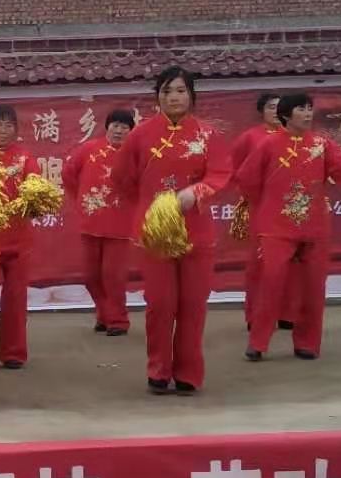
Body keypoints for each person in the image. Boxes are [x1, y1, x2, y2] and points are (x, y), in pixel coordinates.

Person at [111, 67, 232, 396]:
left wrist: (196, 192)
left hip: (196, 231)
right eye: (166, 91)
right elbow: (121, 178)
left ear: (191, 95)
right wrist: (150, 209)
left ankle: (189, 373)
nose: (174, 97)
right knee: (160, 304)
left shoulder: (208, 135)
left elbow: (220, 174)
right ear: (158, 97)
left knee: (193, 304)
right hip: (156, 234)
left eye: (180, 90)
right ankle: (159, 369)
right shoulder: (140, 135)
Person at [237, 92, 341, 362]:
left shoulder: (322, 145)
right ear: (286, 115)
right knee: (271, 283)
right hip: (276, 228)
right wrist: (267, 207)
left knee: (313, 288)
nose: (308, 113)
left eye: (310, 108)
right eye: (301, 109)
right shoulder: (268, 144)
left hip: (314, 227)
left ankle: (307, 343)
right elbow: (247, 179)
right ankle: (258, 342)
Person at [62, 108, 136, 336]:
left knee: (113, 276)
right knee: (90, 276)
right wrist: (81, 198)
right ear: (107, 127)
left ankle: (118, 320)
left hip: (119, 226)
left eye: (124, 127)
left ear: (131, 131)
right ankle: (104, 315)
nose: (119, 130)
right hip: (91, 223)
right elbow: (68, 173)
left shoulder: (135, 155)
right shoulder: (89, 148)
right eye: (115, 125)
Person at [230, 92, 294, 331]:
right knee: (261, 263)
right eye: (270, 107)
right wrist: (250, 193)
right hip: (262, 207)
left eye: (280, 107)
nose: (275, 111)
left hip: (293, 208)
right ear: (261, 111)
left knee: (291, 262)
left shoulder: (296, 137)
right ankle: (256, 315)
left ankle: (287, 313)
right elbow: (232, 169)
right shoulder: (250, 138)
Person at [0, 104, 42, 369]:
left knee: (16, 299)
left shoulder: (25, 158)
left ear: (16, 129)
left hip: (19, 241)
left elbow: (36, 191)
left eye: (8, 125)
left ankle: (13, 353)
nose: (3, 130)